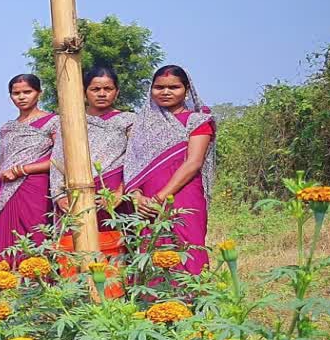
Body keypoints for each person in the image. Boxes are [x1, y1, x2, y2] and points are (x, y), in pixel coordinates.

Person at [123, 65, 216, 274]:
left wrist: (160, 198)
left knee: (188, 247)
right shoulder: (141, 125)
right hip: (146, 201)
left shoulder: (198, 121)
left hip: (183, 194)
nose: (165, 92)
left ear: (186, 89)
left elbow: (193, 162)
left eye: (173, 87)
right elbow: (132, 163)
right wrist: (137, 196)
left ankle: (192, 303)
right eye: (159, 87)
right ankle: (157, 304)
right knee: (153, 248)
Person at [49, 65, 136, 229]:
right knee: (77, 248)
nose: (102, 94)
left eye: (108, 89)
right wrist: (59, 195)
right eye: (95, 89)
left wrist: (120, 193)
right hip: (75, 192)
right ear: (84, 92)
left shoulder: (129, 120)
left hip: (114, 195)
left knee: (116, 246)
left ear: (117, 92)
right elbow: (58, 159)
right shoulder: (71, 120)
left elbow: (135, 160)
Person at [0, 74, 59, 266]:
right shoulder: (7, 129)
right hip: (8, 191)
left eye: (27, 92)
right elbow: (2, 166)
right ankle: (6, 289)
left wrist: (22, 169)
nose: (21, 97)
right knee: (8, 242)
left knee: (37, 237)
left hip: (38, 188)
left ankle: (40, 290)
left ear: (39, 93)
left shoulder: (53, 122)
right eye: (16, 93)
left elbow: (61, 159)